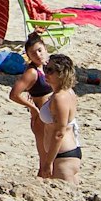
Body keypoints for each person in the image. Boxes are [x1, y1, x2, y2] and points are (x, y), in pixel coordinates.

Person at [7, 33, 53, 163]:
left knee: (53, 156)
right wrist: (32, 107)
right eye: (33, 54)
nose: (38, 55)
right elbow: (14, 94)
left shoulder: (48, 66)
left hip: (51, 116)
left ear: (45, 48)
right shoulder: (32, 72)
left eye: (40, 50)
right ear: (28, 56)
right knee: (45, 159)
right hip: (41, 117)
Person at [37, 54, 82, 182]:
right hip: (66, 154)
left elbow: (59, 133)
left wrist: (48, 162)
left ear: (62, 74)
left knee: (66, 198)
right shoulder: (65, 93)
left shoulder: (59, 98)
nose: (46, 73)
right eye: (46, 69)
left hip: (63, 156)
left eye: (50, 70)